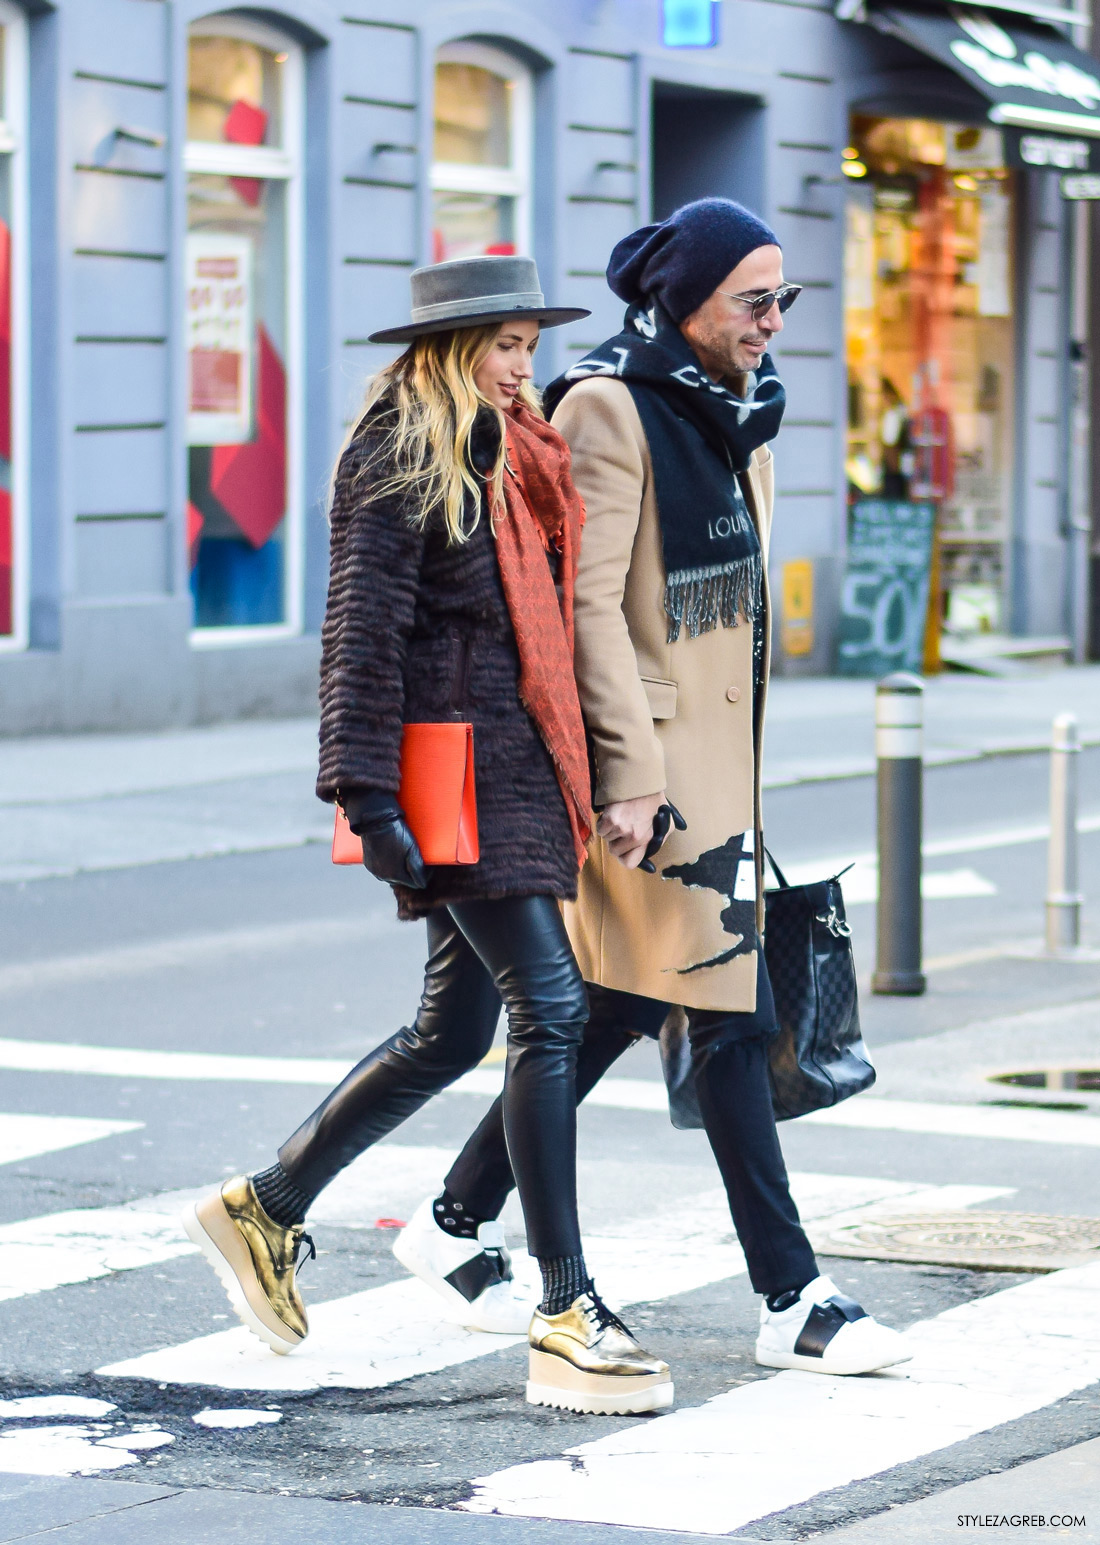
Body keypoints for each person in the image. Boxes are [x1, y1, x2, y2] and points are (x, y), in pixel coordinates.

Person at [395, 203, 910, 1379]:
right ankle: (792, 1294)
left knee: (624, 1006)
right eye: (753, 301)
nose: (773, 325)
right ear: (684, 301)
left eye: (785, 301)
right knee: (726, 1020)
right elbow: (584, 608)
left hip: (718, 771)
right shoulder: (610, 406)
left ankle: (453, 1218)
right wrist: (629, 773)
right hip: (654, 778)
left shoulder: (737, 418)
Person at [183, 255, 672, 1417]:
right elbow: (362, 630)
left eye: (528, 342)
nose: (524, 365)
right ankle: (565, 1307)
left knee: (452, 1032)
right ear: (451, 347)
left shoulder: (518, 451)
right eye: (504, 344)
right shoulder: (403, 450)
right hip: (456, 779)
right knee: (547, 1012)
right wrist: (362, 795)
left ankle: (264, 1206)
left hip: (519, 772)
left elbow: (550, 626)